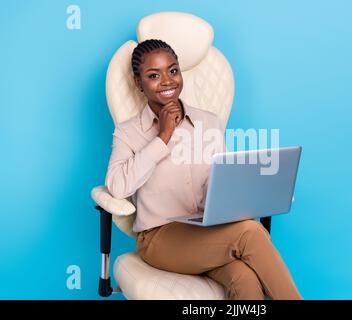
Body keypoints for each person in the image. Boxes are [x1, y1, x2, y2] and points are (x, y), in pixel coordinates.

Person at [105, 39, 302, 300]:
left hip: (205, 229)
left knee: (243, 278)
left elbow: (223, 180)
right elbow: (117, 186)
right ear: (138, 83)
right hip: (159, 238)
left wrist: (253, 195)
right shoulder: (128, 132)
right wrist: (162, 137)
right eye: (154, 75)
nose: (167, 81)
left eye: (173, 70)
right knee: (251, 233)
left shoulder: (208, 122)